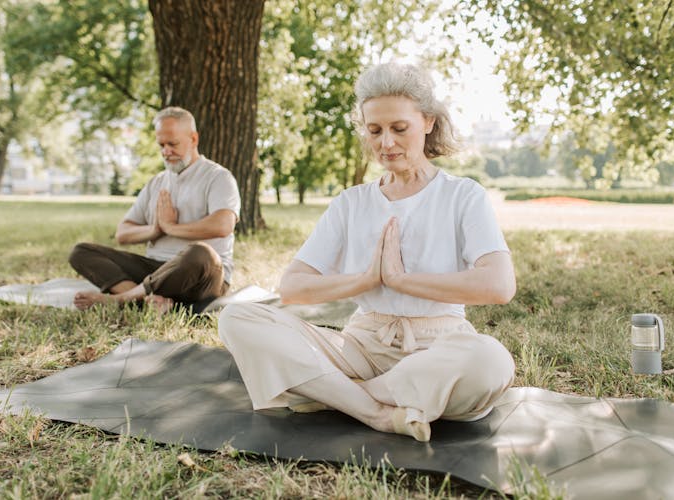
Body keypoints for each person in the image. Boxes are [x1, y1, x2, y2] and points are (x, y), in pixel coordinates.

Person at [218, 63, 516, 442]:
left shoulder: (463, 195)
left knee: (489, 362)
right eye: (375, 131)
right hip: (360, 345)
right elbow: (293, 287)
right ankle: (376, 411)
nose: (386, 143)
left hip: (439, 345)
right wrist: (366, 279)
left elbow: (499, 285)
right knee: (237, 318)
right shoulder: (351, 203)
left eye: (399, 128)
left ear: (427, 122)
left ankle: (333, 394)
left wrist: (401, 280)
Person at [69, 107, 240, 312]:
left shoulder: (218, 177)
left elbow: (223, 225)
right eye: (161, 145)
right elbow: (123, 233)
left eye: (173, 144)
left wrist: (170, 227)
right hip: (155, 269)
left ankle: (123, 299)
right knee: (81, 252)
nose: (166, 151)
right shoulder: (156, 182)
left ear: (193, 139)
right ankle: (146, 301)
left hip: (200, 275)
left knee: (201, 253)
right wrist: (155, 230)